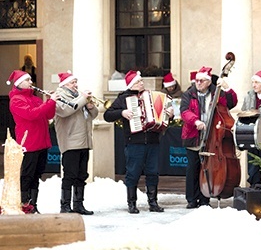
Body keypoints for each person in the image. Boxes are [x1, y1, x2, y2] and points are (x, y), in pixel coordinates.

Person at [104, 70, 173, 214]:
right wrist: (122, 113)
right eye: (138, 81)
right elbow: (107, 115)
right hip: (134, 141)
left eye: (141, 81)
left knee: (153, 172)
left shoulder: (151, 95)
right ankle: (132, 203)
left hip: (153, 140)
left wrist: (169, 115)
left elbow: (162, 116)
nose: (141, 83)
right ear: (131, 84)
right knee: (133, 173)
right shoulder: (123, 98)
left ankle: (153, 202)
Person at [180, 66, 238, 208]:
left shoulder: (216, 93)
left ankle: (205, 198)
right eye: (196, 80)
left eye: (201, 80)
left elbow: (231, 103)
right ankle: (191, 200)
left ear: (208, 81)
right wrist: (196, 121)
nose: (198, 83)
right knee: (193, 169)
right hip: (194, 136)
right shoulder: (189, 94)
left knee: (206, 168)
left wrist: (227, 88)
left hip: (212, 136)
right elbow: (184, 111)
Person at [7, 69, 58, 213]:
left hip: (41, 141)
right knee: (27, 175)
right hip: (29, 142)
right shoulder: (16, 100)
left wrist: (50, 101)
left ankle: (33, 205)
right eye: (28, 80)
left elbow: (49, 114)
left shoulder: (35, 98)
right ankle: (24, 204)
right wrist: (50, 101)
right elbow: (31, 115)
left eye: (30, 80)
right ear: (18, 84)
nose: (31, 82)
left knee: (36, 175)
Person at [53, 71, 98, 215]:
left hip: (84, 141)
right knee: (70, 175)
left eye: (76, 82)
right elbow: (66, 110)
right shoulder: (59, 96)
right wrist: (83, 99)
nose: (76, 85)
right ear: (64, 84)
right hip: (70, 141)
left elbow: (94, 115)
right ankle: (65, 205)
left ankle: (78, 204)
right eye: (73, 82)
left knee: (81, 175)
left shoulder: (78, 97)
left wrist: (91, 107)